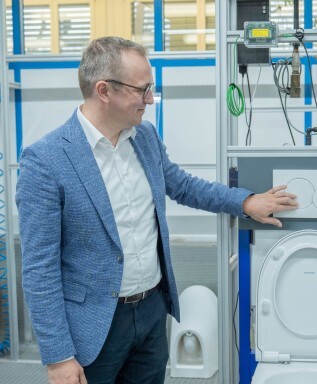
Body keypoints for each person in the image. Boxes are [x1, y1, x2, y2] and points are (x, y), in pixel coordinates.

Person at [15, 36, 297, 384]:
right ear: (104, 91)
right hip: (93, 326)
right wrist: (58, 357)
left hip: (151, 312)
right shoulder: (46, 160)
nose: (150, 99)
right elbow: (39, 269)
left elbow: (182, 185)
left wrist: (244, 202)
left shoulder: (143, 136)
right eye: (143, 89)